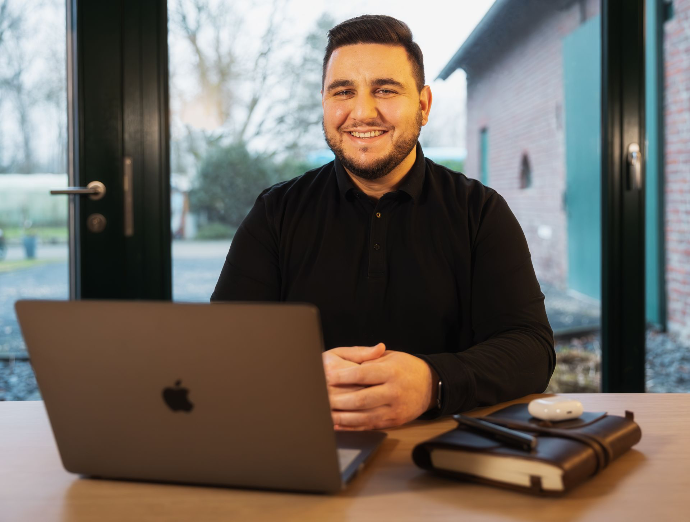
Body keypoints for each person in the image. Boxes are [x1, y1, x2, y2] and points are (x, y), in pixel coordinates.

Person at [211, 14, 555, 430]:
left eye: (385, 90)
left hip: (446, 453)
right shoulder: (275, 212)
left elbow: (532, 350)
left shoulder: (479, 212)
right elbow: (223, 345)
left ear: (424, 105)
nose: (362, 112)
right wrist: (297, 375)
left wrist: (433, 382)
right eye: (343, 91)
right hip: (306, 444)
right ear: (324, 102)